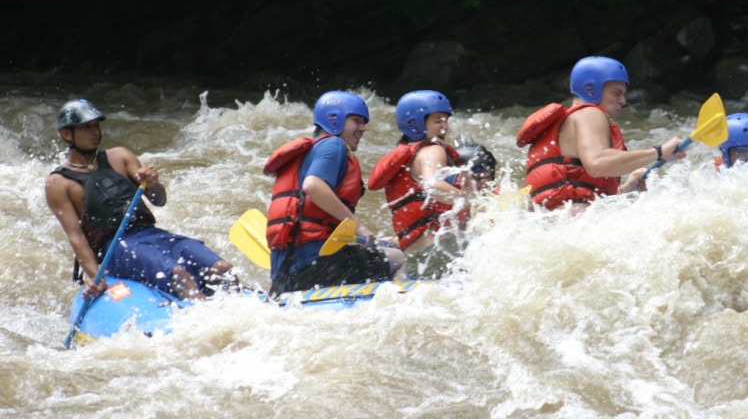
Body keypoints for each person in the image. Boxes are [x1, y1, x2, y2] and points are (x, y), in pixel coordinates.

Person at [46, 99, 237, 301]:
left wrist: (153, 183)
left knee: (223, 269)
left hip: (151, 234)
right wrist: (95, 276)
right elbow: (76, 237)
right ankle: (202, 316)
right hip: (114, 248)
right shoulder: (59, 183)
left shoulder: (120, 156)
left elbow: (159, 200)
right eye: (86, 127)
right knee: (180, 276)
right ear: (67, 134)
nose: (95, 132)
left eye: (96, 126)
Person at [264, 91, 406, 295]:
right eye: (356, 121)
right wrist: (361, 228)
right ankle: (399, 305)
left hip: (285, 276)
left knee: (375, 250)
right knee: (397, 257)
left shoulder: (308, 154)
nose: (363, 128)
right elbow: (313, 186)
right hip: (319, 266)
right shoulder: (334, 144)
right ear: (333, 119)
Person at [516, 56, 686, 211]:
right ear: (591, 89)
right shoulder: (589, 113)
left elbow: (579, 198)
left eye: (623, 94)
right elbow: (597, 163)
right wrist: (658, 152)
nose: (623, 101)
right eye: (616, 93)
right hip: (574, 223)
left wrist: (627, 188)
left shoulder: (562, 125)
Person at [368, 90, 469, 260]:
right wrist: (474, 202)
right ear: (415, 124)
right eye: (438, 121)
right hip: (440, 248)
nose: (446, 127)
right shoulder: (433, 149)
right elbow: (432, 184)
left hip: (416, 254)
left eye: (446, 121)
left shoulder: (409, 157)